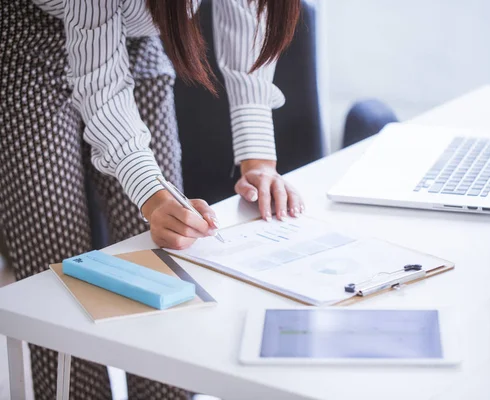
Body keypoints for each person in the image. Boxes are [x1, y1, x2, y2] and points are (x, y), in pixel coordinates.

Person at [0, 0, 302, 398]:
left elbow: (247, 18)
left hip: (144, 31)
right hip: (28, 45)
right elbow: (101, 86)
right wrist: (151, 196)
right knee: (61, 277)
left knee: (168, 265)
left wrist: (258, 159)